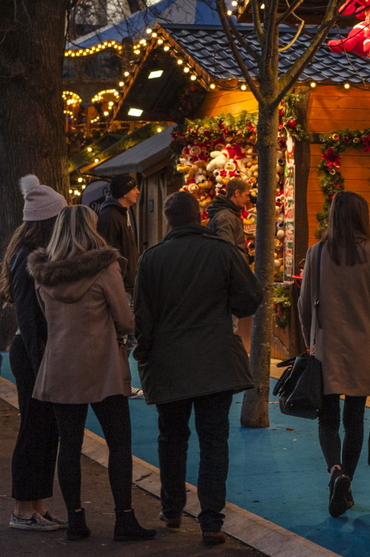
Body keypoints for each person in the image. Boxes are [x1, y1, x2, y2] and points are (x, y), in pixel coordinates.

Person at [133, 191, 263, 546]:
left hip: (169, 364)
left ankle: (172, 508)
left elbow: (142, 316)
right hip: (215, 362)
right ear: (199, 216)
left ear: (168, 220)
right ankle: (211, 521)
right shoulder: (222, 251)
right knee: (214, 441)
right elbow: (251, 297)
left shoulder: (152, 259)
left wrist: (144, 354)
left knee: (172, 438)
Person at [27, 205, 154, 541]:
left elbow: (46, 318)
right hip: (102, 367)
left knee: (68, 445)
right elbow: (125, 320)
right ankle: (124, 520)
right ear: (91, 229)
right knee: (119, 444)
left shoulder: (43, 274)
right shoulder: (105, 267)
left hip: (60, 367)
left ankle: (76, 520)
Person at [296, 192, 370, 519]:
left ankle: (335, 471)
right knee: (354, 421)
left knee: (327, 419)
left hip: (326, 350)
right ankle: (348, 483)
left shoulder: (316, 253)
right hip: (362, 350)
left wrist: (310, 343)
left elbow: (303, 305)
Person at [5, 175, 65, 532]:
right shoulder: (28, 258)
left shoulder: (28, 254)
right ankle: (22, 509)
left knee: (43, 428)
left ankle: (35, 506)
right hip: (33, 354)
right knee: (34, 428)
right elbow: (28, 318)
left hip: (34, 352)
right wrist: (41, 363)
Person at [95, 173, 140, 288]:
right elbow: (106, 251)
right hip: (119, 284)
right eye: (134, 189)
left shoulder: (123, 213)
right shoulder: (110, 216)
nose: (138, 192)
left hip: (127, 282)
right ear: (124, 193)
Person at [206, 178, 251, 259]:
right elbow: (226, 252)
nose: (248, 199)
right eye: (246, 195)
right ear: (237, 193)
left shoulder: (229, 214)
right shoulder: (225, 217)